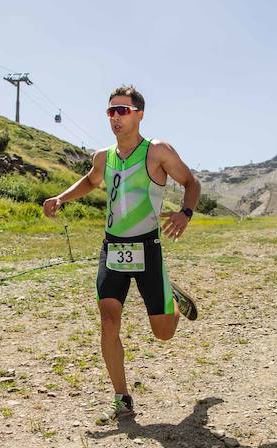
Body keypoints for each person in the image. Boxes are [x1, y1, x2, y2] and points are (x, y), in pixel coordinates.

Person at [42, 85, 200, 423]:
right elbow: (90, 180)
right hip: (113, 247)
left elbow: (191, 183)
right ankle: (121, 396)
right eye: (111, 111)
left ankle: (170, 300)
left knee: (163, 333)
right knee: (109, 321)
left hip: (148, 248)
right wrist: (61, 198)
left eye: (122, 110)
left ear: (139, 114)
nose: (115, 117)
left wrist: (184, 214)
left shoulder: (157, 152)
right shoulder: (104, 156)